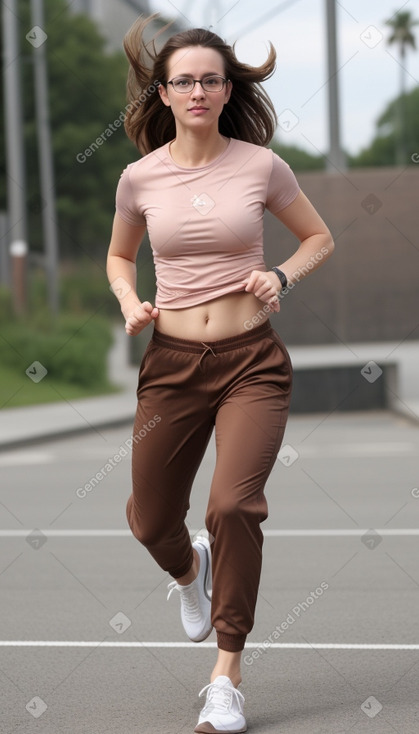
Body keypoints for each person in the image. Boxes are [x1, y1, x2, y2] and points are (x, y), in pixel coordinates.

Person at [107, 14, 334, 733]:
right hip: (171, 364)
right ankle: (187, 569)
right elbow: (119, 257)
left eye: (210, 78)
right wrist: (128, 300)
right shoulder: (139, 176)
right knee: (148, 521)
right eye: (184, 81)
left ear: (225, 88)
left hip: (250, 365)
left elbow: (317, 237)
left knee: (234, 506)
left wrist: (280, 277)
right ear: (164, 93)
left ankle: (225, 677)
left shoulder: (260, 165)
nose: (198, 90)